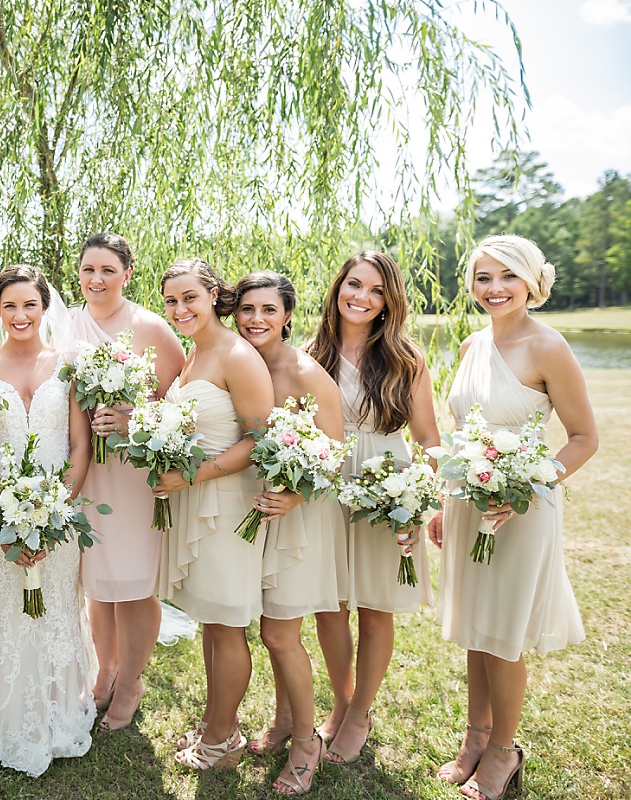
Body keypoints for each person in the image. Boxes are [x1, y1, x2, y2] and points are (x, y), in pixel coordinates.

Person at [429, 235, 597, 800]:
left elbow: (583, 438)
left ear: (531, 282)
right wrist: (442, 496)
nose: (494, 288)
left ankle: (504, 751)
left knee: (502, 636)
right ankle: (475, 739)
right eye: (483, 278)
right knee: (478, 629)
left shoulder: (548, 346)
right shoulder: (472, 343)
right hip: (467, 501)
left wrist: (529, 482)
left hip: (520, 508)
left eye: (507, 276)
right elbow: (462, 432)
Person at [0, 265, 96, 777]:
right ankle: (4, 715)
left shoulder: (69, 365)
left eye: (29, 305)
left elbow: (80, 446)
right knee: (8, 610)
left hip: (62, 511)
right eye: (9, 305)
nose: (19, 315)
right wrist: (1, 520)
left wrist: (58, 512)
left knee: (56, 606)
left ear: (45, 308)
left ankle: (59, 710)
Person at [303, 251, 441, 766]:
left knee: (375, 606)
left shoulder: (406, 359)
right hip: (325, 484)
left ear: (389, 302)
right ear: (338, 287)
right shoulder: (309, 353)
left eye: (376, 290)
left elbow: (429, 439)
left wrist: (421, 500)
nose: (362, 297)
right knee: (329, 604)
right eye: (354, 284)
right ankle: (341, 703)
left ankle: (362, 713)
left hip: (387, 484)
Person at [152, 258, 274, 772]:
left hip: (227, 505)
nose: (180, 309)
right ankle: (217, 721)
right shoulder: (192, 352)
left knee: (227, 626)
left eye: (189, 298)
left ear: (213, 296)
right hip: (193, 499)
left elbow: (261, 439)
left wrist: (193, 475)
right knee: (211, 623)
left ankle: (224, 740)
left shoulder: (236, 355)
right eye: (171, 301)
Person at [231, 270, 343, 794]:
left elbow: (335, 454)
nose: (256, 320)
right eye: (247, 309)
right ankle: (280, 720)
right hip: (260, 512)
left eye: (268, 310)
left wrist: (295, 495)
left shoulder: (306, 373)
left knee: (280, 633)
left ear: (288, 315)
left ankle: (306, 743)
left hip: (301, 517)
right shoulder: (243, 361)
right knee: (269, 630)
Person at [69, 233, 185, 731]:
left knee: (135, 584)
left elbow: (182, 405)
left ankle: (132, 680)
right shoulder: (67, 325)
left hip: (135, 475)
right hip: (87, 468)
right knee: (98, 581)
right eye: (89, 269)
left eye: (108, 270)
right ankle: (106, 671)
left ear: (127, 274)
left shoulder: (151, 328)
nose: (97, 279)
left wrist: (132, 419)